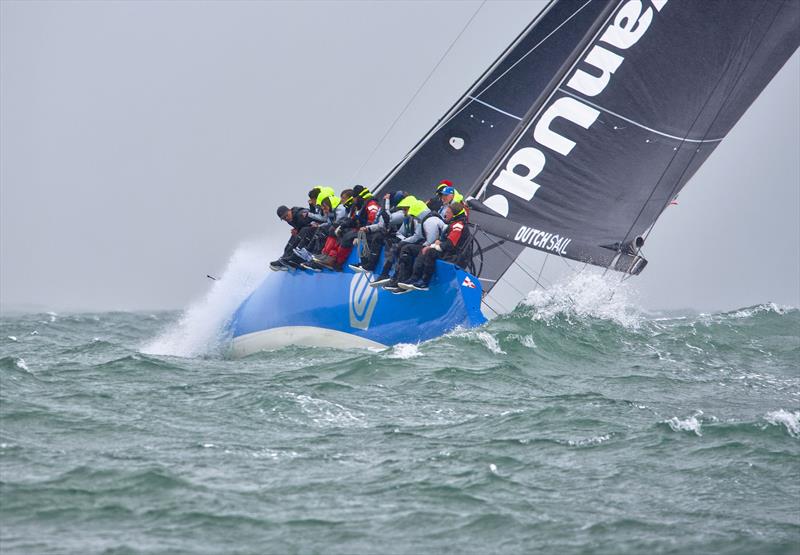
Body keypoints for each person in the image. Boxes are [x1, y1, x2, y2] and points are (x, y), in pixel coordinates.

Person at [398, 202, 471, 291]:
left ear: (454, 214)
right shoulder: (455, 223)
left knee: (430, 252)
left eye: (448, 212)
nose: (445, 214)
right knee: (425, 249)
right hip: (452, 253)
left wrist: (433, 246)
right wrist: (436, 244)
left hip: (455, 257)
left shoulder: (458, 225)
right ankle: (413, 279)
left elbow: (450, 244)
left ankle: (424, 282)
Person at [382, 198, 445, 290]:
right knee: (406, 248)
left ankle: (413, 278)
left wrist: (404, 242)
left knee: (410, 249)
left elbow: (429, 240)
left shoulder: (429, 221)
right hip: (431, 245)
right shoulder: (423, 219)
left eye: (405, 209)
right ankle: (400, 278)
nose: (405, 212)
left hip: (435, 247)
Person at [313, 185, 381, 270]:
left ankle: (338, 263)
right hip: (361, 229)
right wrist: (342, 226)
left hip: (369, 230)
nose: (353, 200)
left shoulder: (371, 204)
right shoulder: (360, 205)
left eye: (354, 198)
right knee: (338, 231)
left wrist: (361, 233)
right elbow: (352, 219)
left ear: (358, 197)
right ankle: (329, 256)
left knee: (347, 237)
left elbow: (373, 219)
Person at [349, 190, 407, 273]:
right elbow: (381, 225)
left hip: (398, 236)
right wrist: (367, 228)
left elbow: (388, 219)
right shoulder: (392, 209)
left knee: (378, 237)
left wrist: (386, 202)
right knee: (367, 235)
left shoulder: (402, 212)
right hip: (389, 233)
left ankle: (374, 267)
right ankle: (364, 263)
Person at [370, 195, 422, 287]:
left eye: (405, 209)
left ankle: (398, 278)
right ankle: (386, 274)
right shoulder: (407, 219)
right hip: (409, 242)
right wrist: (398, 238)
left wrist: (403, 241)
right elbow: (400, 233)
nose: (403, 211)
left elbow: (417, 236)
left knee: (401, 249)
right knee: (392, 244)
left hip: (419, 244)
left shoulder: (417, 220)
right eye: (403, 209)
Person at [270, 205, 315, 271]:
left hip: (315, 234)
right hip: (307, 233)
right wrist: (297, 229)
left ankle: (292, 258)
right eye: (284, 218)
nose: (286, 218)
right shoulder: (290, 219)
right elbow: (301, 226)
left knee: (302, 231)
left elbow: (315, 220)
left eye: (286, 215)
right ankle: (284, 257)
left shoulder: (300, 214)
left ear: (290, 210)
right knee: (294, 235)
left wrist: (299, 230)